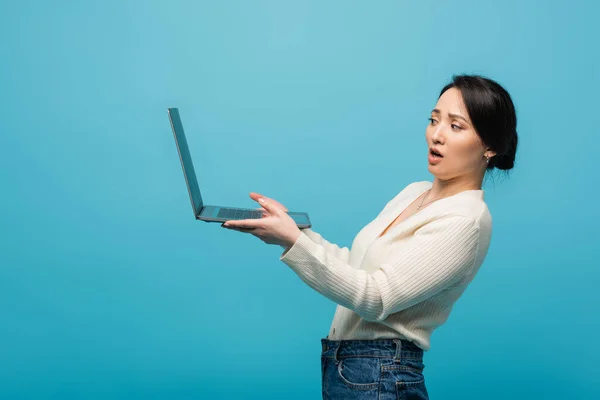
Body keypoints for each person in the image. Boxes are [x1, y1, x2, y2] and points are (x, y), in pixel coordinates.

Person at [221, 74, 518, 399]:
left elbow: (376, 297)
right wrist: (290, 234)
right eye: (434, 120)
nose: (437, 134)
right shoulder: (415, 192)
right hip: (350, 369)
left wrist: (295, 242)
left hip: (381, 375)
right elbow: (358, 267)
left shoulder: (466, 220)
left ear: (489, 147)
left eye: (455, 126)